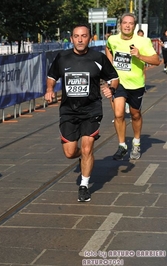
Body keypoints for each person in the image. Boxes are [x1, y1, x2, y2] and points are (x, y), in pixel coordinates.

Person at [45, 24, 119, 202]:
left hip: (91, 109)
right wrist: (49, 89)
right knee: (70, 152)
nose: (80, 39)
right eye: (76, 36)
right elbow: (52, 77)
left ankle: (84, 185)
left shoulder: (98, 58)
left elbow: (114, 78)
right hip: (69, 111)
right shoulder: (62, 57)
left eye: (84, 36)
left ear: (89, 38)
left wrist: (111, 89)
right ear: (71, 39)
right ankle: (84, 158)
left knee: (87, 148)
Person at [106, 13, 160, 160]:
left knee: (135, 115)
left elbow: (157, 61)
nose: (127, 25)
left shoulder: (143, 41)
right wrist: (110, 69)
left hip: (136, 85)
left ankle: (136, 143)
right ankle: (122, 145)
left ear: (134, 26)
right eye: (125, 23)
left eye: (130, 23)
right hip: (119, 83)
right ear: (120, 24)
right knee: (118, 114)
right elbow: (108, 49)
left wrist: (139, 55)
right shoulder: (113, 39)